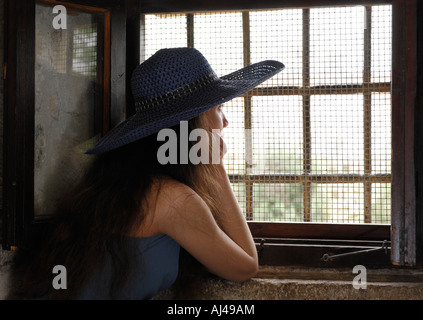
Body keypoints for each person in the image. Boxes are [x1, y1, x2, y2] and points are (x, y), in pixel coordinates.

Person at [11, 47, 284, 299]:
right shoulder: (173, 200)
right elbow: (246, 266)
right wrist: (216, 167)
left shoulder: (122, 183)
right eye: (218, 108)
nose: (225, 121)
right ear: (189, 125)